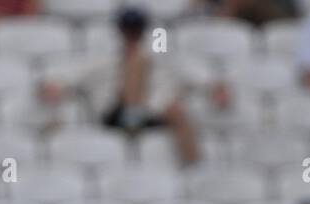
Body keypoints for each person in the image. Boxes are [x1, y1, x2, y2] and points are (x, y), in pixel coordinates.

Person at [40, 6, 201, 167]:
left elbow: (187, 74)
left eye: (136, 30)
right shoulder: (101, 58)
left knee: (177, 109)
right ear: (120, 30)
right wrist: (56, 86)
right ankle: (133, 115)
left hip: (148, 112)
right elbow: (66, 75)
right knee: (137, 61)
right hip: (114, 115)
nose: (132, 34)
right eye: (128, 29)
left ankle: (195, 169)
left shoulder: (158, 57)